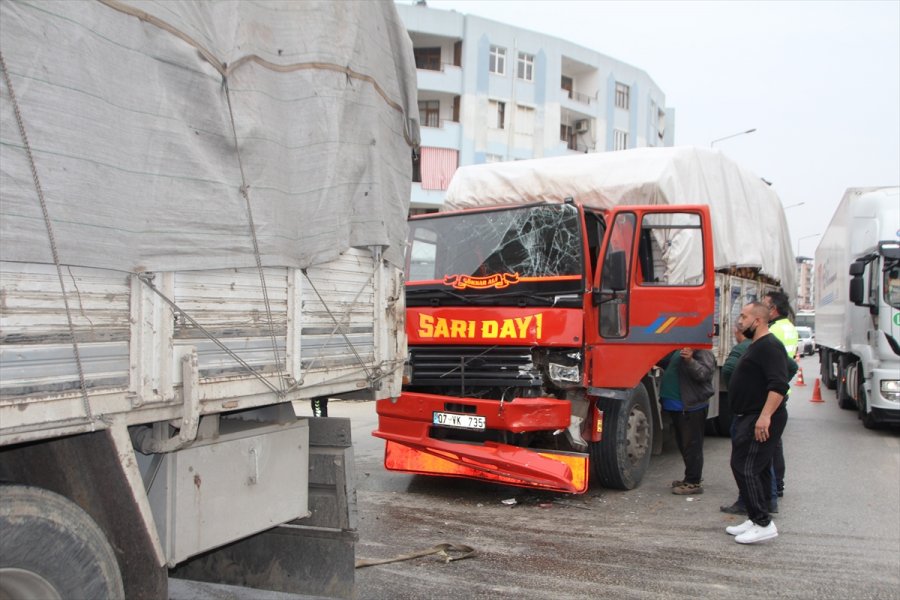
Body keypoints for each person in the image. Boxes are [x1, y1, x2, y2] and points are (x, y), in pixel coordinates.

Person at [724, 302, 790, 544]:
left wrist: (764, 417)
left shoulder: (769, 346)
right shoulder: (758, 345)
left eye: (744, 316)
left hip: (758, 417)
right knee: (758, 468)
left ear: (758, 321)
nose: (740, 320)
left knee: (745, 467)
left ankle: (763, 522)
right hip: (749, 415)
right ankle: (755, 517)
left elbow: (779, 385)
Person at [659, 346, 716, 495]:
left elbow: (704, 374)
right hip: (678, 407)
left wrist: (690, 360)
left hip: (691, 407)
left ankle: (693, 482)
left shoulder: (703, 350)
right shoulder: (679, 349)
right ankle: (689, 478)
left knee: (692, 445)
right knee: (684, 445)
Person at [764, 290, 798, 498]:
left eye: (765, 304)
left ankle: (775, 485)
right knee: (775, 441)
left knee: (772, 443)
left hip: (774, 390)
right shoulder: (788, 327)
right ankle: (778, 483)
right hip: (782, 388)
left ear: (773, 309)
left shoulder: (774, 331)